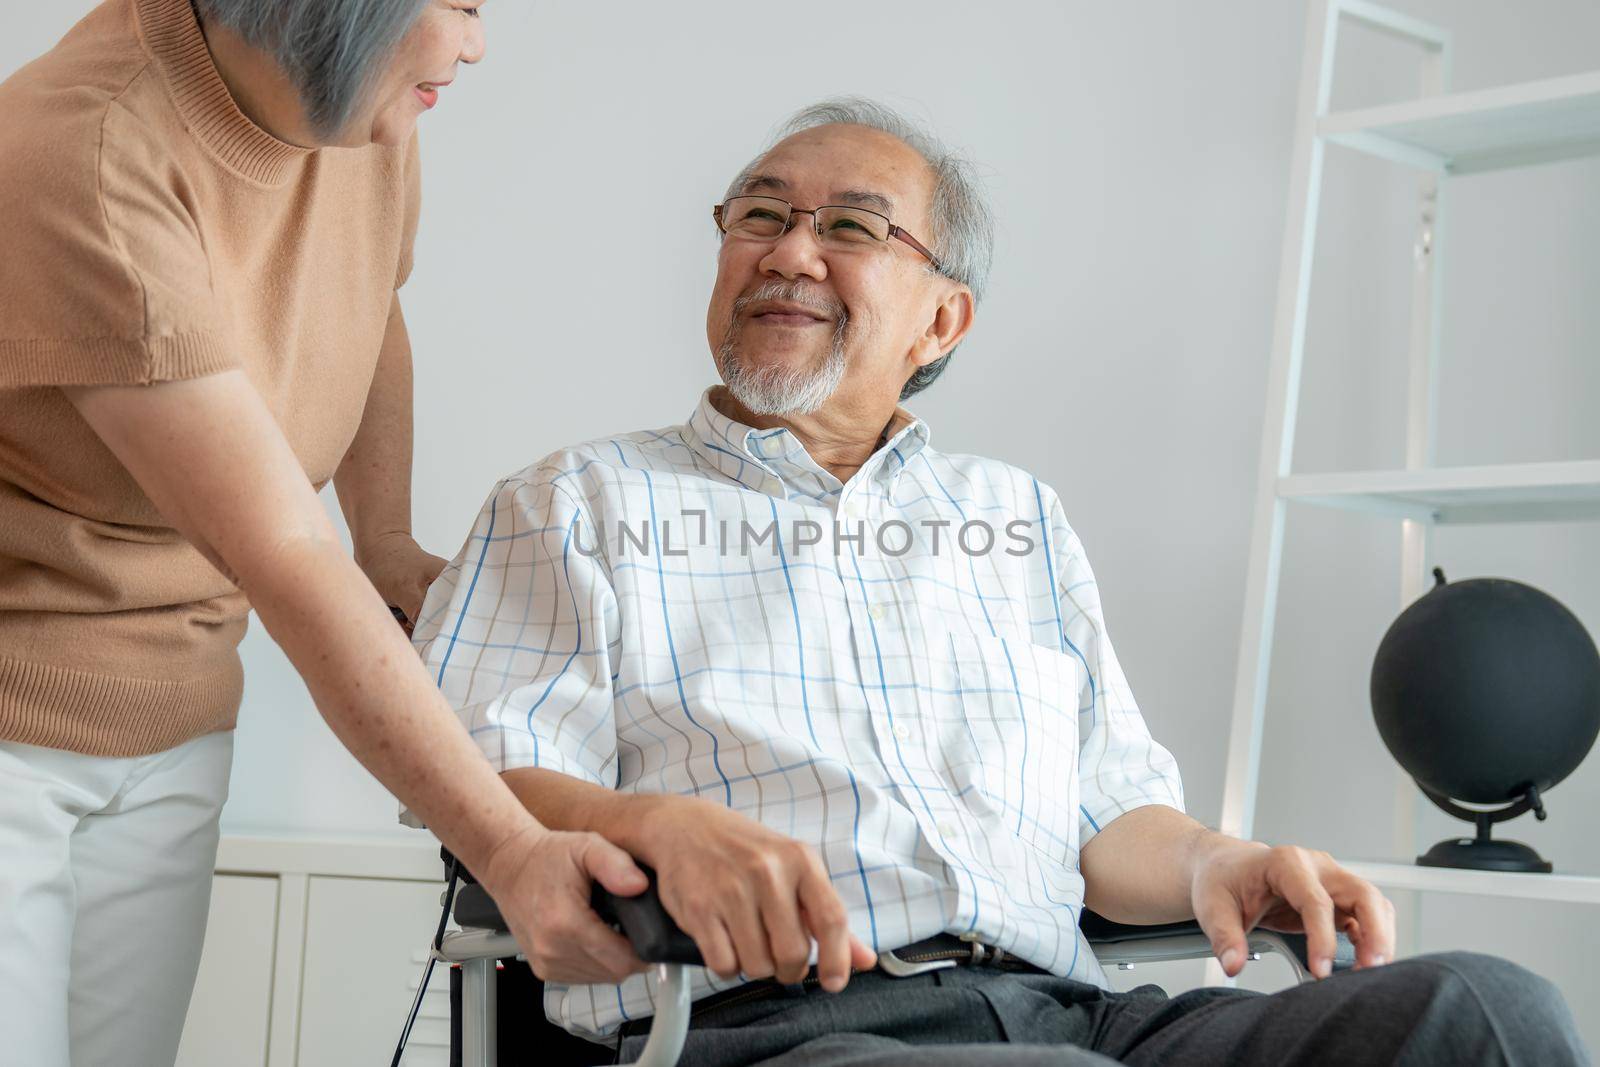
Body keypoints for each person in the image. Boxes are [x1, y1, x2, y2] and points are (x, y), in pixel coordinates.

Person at [412, 97, 1588, 1065]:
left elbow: (1109, 815)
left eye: (852, 228)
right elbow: (475, 779)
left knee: (1487, 1017)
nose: (786, 251)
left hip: (1072, 1012)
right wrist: (651, 823)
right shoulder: (575, 499)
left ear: (941, 320)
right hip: (767, 1029)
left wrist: (1220, 861)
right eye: (758, 216)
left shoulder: (1013, 515)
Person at [0, 3, 652, 1065]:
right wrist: (510, 847)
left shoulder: (353, 106)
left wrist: (384, 539)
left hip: (181, 704)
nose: (477, 44)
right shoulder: (87, 151)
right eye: (462, 6)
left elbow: (366, 306)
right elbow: (281, 551)